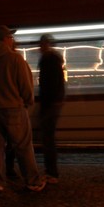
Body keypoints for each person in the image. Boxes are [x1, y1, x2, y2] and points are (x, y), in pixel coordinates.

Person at [0, 25, 46, 195]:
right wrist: (28, 101)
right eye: (11, 37)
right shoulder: (15, 59)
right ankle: (32, 182)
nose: (13, 40)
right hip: (13, 109)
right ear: (6, 39)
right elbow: (26, 86)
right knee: (22, 146)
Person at [37, 33, 66, 182]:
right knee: (48, 138)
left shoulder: (49, 60)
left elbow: (49, 84)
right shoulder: (53, 59)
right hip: (53, 102)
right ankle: (51, 171)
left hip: (50, 103)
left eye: (41, 44)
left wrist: (46, 103)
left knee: (48, 138)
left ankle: (52, 172)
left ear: (46, 44)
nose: (39, 47)